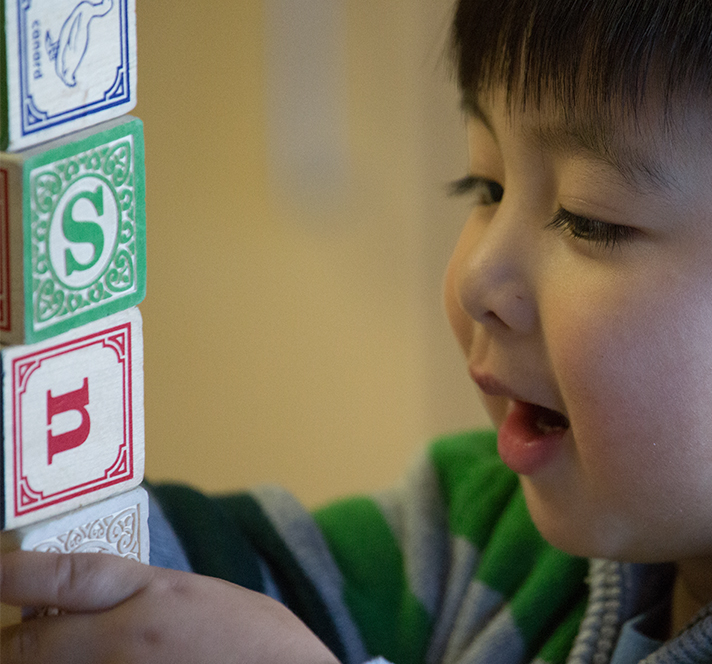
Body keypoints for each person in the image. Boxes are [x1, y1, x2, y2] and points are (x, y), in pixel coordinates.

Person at [3, 0, 712, 661]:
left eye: (590, 220)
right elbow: (191, 588)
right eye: (485, 186)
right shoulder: (478, 531)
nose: (475, 279)